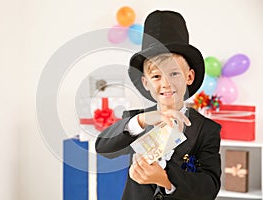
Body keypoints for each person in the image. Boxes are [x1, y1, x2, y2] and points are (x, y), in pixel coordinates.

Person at [95, 10, 221, 200]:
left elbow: (210, 187)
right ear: (146, 82)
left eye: (174, 73)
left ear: (189, 76)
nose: (165, 84)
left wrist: (166, 180)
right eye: (156, 76)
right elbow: (103, 147)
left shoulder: (206, 130)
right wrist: (143, 119)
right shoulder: (136, 121)